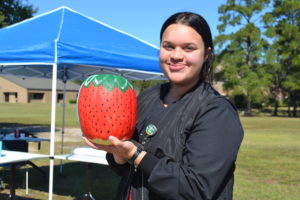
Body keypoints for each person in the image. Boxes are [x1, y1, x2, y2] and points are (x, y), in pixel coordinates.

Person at [84, 11, 244, 200]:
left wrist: (135, 154)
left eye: (188, 48)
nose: (176, 55)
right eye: (168, 46)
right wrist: (118, 154)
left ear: (206, 54)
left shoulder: (216, 112)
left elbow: (197, 189)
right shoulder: (146, 98)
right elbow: (124, 169)